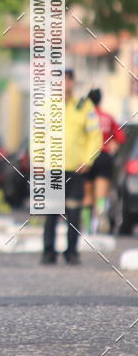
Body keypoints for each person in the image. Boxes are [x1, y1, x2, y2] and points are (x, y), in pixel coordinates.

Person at [42, 69, 103, 265]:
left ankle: (72, 252)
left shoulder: (84, 106)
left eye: (67, 81)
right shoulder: (47, 106)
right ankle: (48, 252)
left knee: (74, 212)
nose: (64, 85)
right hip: (52, 167)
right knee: (50, 213)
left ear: (73, 83)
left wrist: (89, 159)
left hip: (77, 167)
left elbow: (95, 135)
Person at [84, 87, 126, 233]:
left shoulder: (84, 116)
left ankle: (87, 225)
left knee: (87, 195)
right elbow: (121, 137)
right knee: (101, 193)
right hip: (104, 156)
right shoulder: (107, 117)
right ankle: (100, 214)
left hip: (86, 157)